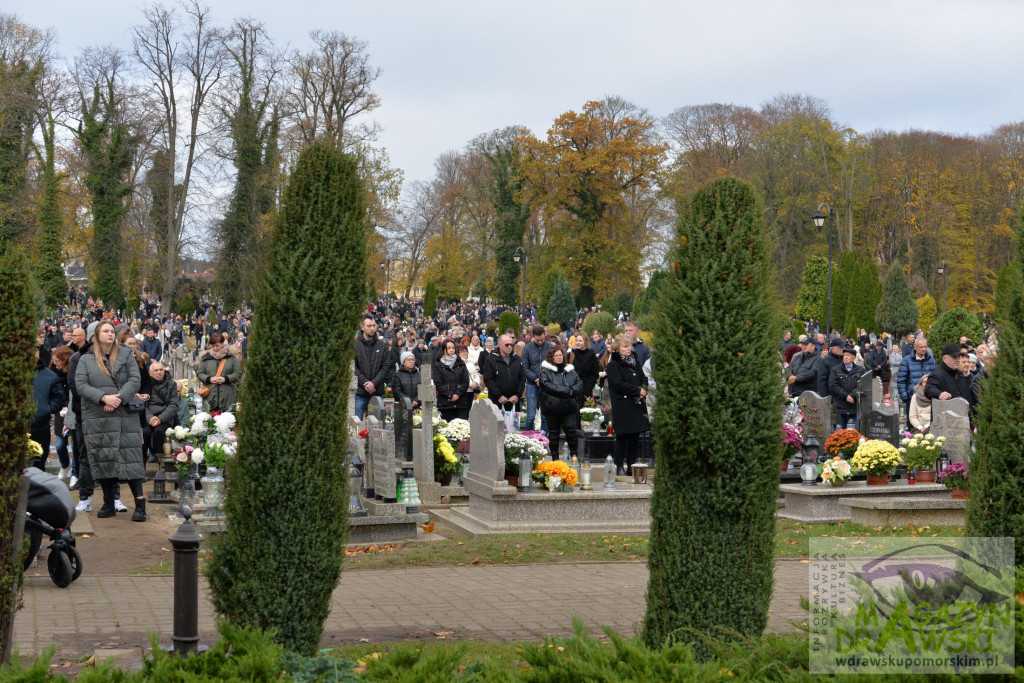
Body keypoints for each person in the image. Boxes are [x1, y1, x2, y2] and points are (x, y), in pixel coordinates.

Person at [74, 320, 147, 521]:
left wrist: (118, 399)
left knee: (130, 459)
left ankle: (140, 504)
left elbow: (134, 380)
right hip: (99, 416)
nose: (110, 334)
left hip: (124, 415)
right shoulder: (86, 359)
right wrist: (104, 398)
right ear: (96, 335)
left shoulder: (126, 354)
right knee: (103, 457)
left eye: (112, 331)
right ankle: (108, 502)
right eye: (105, 331)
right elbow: (80, 384)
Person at [605, 333, 650, 475]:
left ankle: (631, 466)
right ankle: (619, 466)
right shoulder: (613, 365)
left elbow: (643, 377)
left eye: (629, 345)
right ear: (617, 348)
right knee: (623, 437)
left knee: (634, 437)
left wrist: (643, 389)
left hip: (636, 404)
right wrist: (637, 390)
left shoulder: (635, 362)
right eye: (625, 346)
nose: (629, 349)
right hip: (623, 406)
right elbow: (618, 384)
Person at [538, 346, 583, 460]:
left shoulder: (570, 370)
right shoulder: (545, 371)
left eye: (560, 355)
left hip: (569, 408)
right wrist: (568, 391)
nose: (559, 357)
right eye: (556, 355)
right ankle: (555, 459)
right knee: (554, 435)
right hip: (552, 408)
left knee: (572, 432)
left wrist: (572, 391)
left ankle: (574, 456)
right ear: (551, 358)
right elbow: (548, 386)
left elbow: (579, 384)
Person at [31, 346, 66, 470]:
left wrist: (46, 409)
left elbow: (59, 397)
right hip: (14, 428)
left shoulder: (49, 375)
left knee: (38, 467)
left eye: (34, 349)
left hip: (40, 428)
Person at [896, 336, 937, 429]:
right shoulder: (907, 361)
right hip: (913, 398)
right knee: (913, 427)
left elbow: (935, 378)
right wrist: (906, 397)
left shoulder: (931, 360)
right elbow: (901, 380)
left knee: (929, 427)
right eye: (921, 347)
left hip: (929, 399)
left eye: (925, 347)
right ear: (915, 347)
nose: (924, 349)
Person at [354, 315, 390, 418]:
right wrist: (365, 383)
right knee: (357, 426)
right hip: (360, 392)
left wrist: (373, 383)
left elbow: (385, 367)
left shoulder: (382, 345)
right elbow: (353, 367)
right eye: (369, 326)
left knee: (378, 426)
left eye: (374, 325)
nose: (372, 328)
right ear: (362, 327)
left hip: (377, 391)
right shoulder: (355, 345)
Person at [197, 332, 242, 413]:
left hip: (228, 398)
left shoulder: (231, 358)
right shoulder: (206, 358)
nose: (214, 348)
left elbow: (238, 373)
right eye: (213, 346)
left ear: (222, 344)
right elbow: (200, 373)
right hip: (210, 398)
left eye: (217, 345)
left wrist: (225, 379)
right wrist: (209, 379)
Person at [481, 333, 526, 413]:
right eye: (507, 345)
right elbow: (488, 379)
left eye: (511, 345)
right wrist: (499, 396)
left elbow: (522, 378)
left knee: (512, 425)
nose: (509, 347)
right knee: (497, 425)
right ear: (499, 345)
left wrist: (517, 395)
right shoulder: (491, 359)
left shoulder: (517, 359)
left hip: (514, 401)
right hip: (496, 401)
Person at [143, 361, 179, 461]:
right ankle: (142, 462)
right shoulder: (146, 385)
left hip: (165, 418)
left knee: (159, 432)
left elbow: (174, 405)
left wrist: (161, 418)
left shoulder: (171, 384)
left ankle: (161, 462)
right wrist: (149, 418)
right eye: (156, 370)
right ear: (150, 373)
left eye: (161, 370)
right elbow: (142, 404)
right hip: (149, 417)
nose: (159, 372)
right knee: (145, 432)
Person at [50, 346, 74, 482]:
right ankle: (65, 465)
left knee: (76, 444)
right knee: (59, 444)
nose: (55, 363)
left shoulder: (73, 372)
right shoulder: (53, 374)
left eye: (57, 360)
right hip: (60, 411)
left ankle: (75, 472)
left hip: (73, 409)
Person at [521, 325, 551, 434]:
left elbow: (553, 366)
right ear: (533, 336)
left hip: (547, 384)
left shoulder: (550, 347)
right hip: (532, 384)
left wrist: (543, 379)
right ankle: (528, 439)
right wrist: (536, 378)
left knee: (545, 415)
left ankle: (545, 440)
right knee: (530, 415)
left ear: (545, 335)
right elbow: (525, 367)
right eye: (537, 340)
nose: (540, 342)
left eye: (542, 339)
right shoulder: (527, 348)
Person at [925, 343, 975, 407]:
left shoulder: (959, 374)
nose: (957, 360)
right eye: (954, 357)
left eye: (959, 357)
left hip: (962, 413)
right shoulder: (937, 374)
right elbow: (929, 389)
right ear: (944, 358)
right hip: (946, 414)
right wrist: (939, 394)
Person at [829, 345, 865, 430]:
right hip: (841, 405)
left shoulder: (860, 370)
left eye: (848, 355)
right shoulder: (835, 370)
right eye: (844, 355)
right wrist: (846, 396)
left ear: (853, 358)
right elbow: (833, 385)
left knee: (855, 430)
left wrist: (852, 395)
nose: (845, 357)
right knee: (841, 431)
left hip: (855, 405)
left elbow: (863, 384)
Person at [434, 338, 470, 421]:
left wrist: (457, 394)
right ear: (444, 349)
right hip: (445, 403)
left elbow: (466, 381)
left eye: (453, 348)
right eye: (449, 348)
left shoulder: (460, 363)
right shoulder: (438, 365)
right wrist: (450, 395)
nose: (451, 350)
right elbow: (438, 384)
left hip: (460, 402)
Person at [568, 334, 599, 401]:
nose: (577, 342)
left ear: (585, 342)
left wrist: (590, 386)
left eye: (580, 341)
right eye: (576, 340)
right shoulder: (571, 354)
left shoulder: (591, 355)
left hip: (586, 389)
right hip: (573, 389)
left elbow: (595, 372)